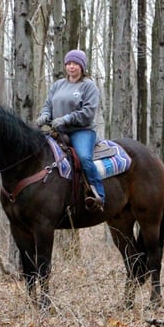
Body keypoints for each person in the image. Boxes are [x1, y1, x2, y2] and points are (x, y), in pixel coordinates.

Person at [35, 49, 105, 212]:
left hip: (81, 131)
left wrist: (66, 119)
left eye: (75, 64)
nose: (71, 67)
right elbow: (48, 105)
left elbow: (88, 112)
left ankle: (99, 195)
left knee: (84, 158)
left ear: (82, 66)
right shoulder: (58, 85)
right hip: (57, 131)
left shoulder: (89, 86)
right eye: (69, 63)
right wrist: (45, 115)